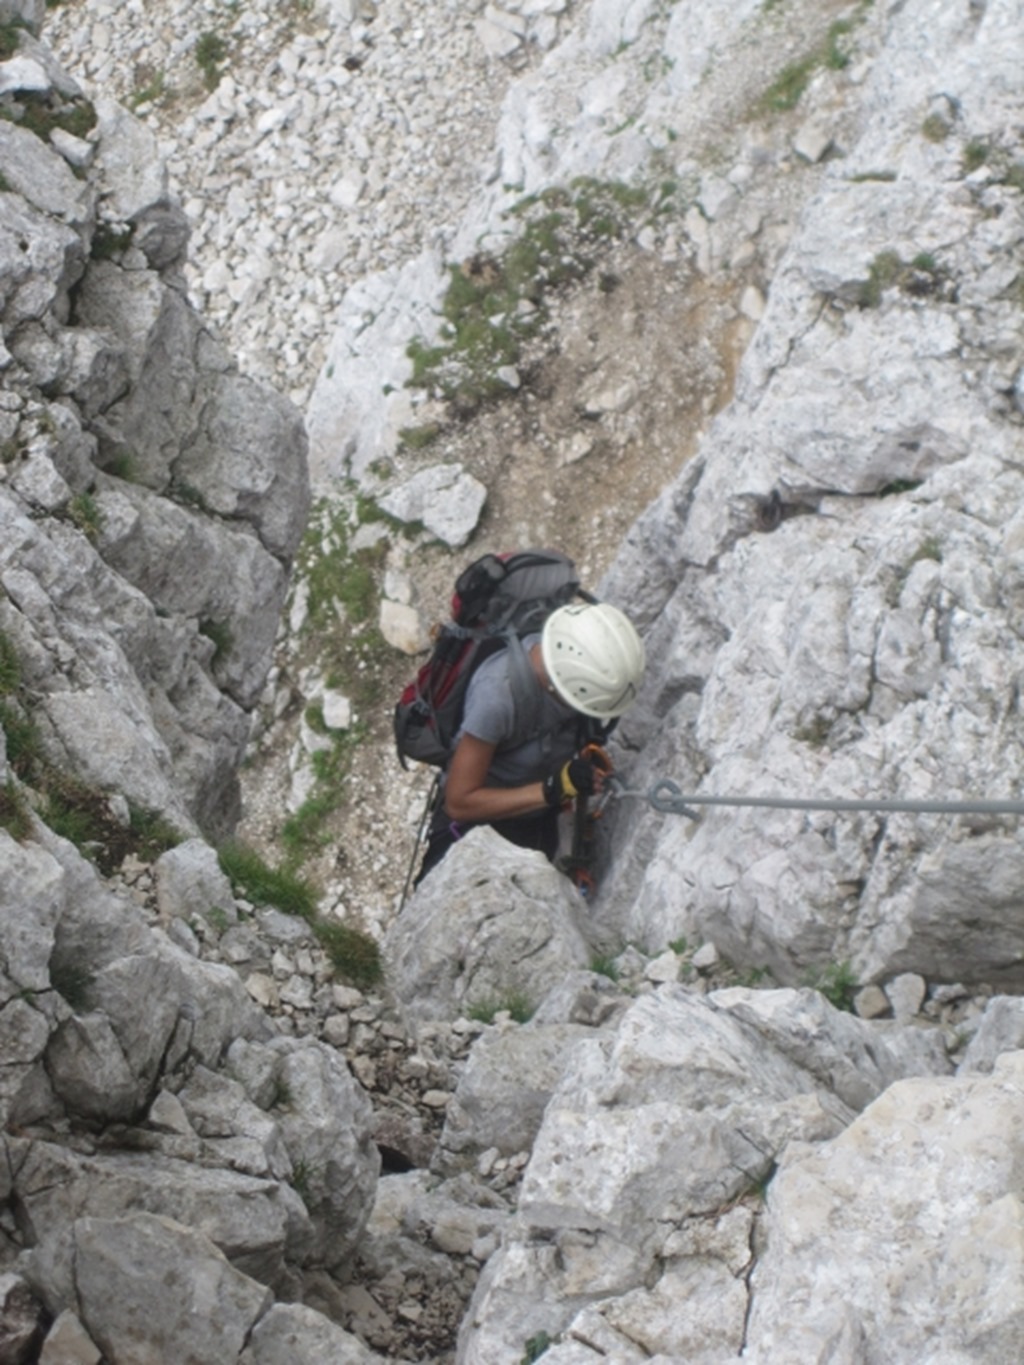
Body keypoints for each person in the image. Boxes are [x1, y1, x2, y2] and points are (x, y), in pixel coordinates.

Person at [415, 600, 645, 885]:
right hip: (476, 824)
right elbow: (459, 802)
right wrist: (552, 789)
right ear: (563, 685)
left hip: (535, 815)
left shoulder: (576, 663)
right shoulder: (497, 697)